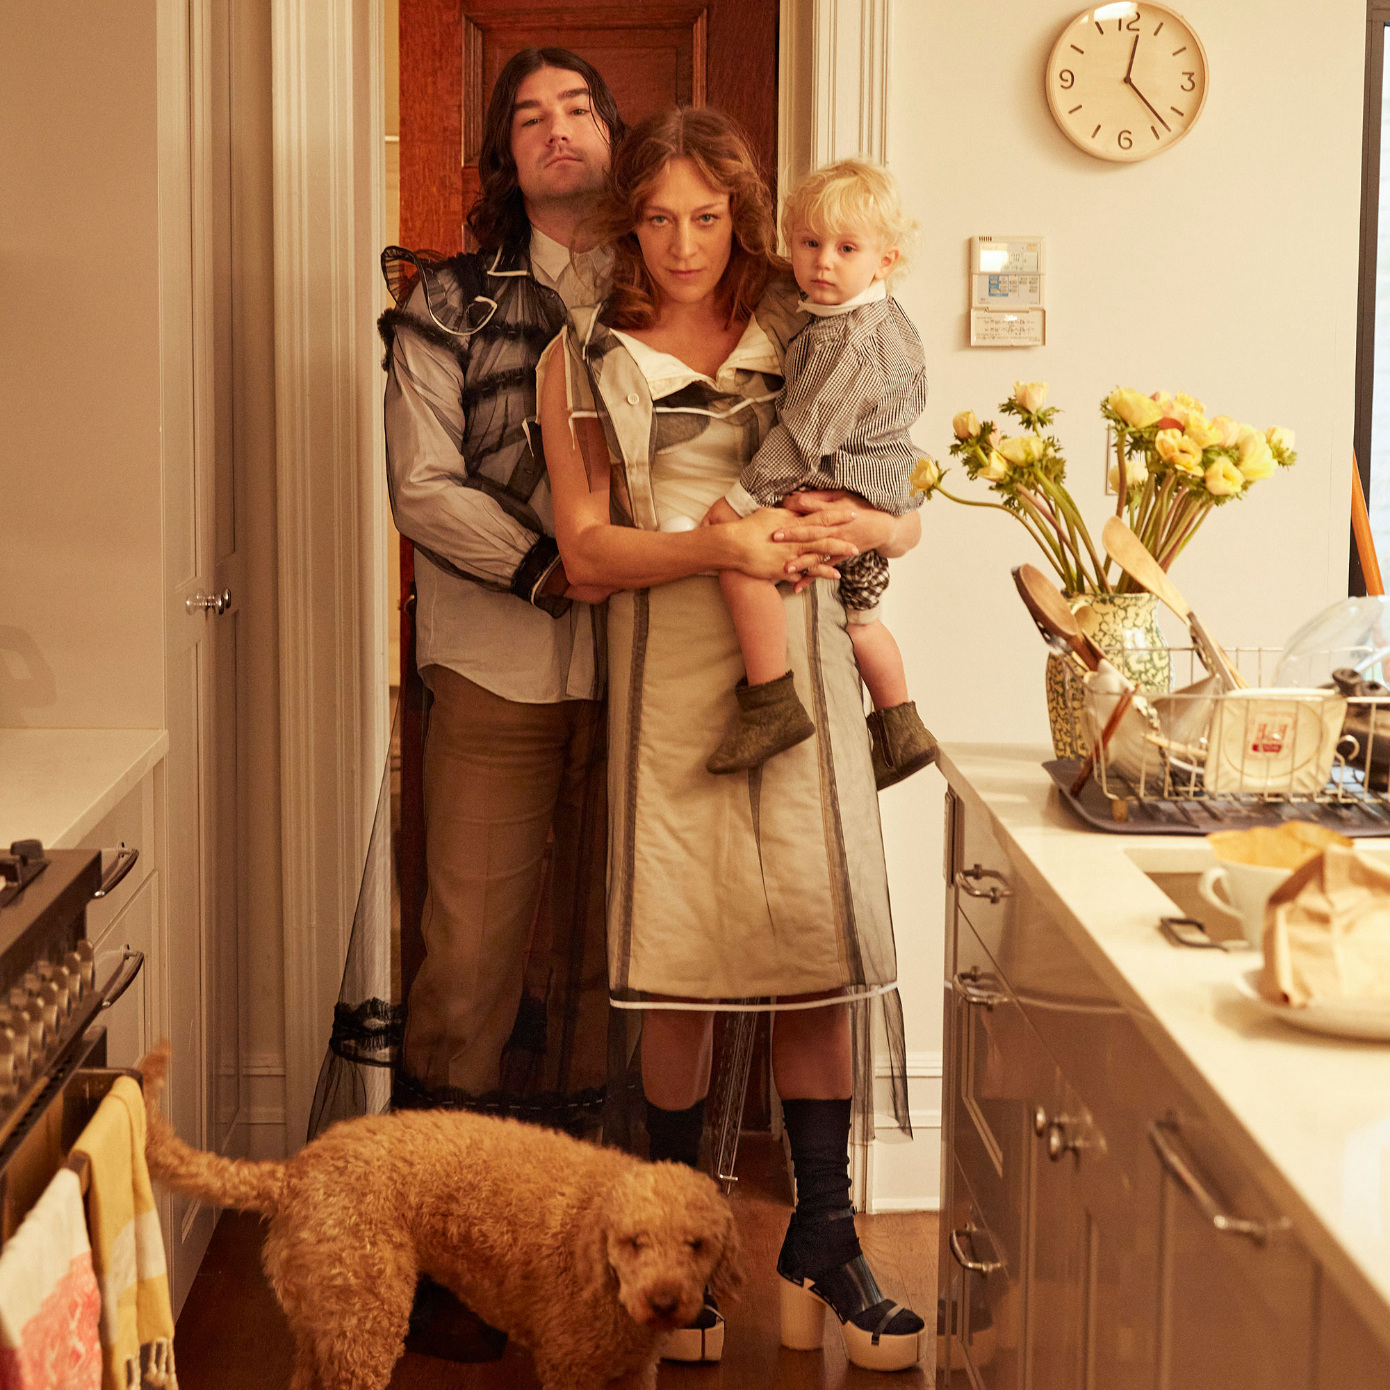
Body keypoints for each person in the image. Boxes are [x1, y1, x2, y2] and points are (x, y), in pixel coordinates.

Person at [539, 107, 925, 1371]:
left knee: (815, 952)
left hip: (801, 677)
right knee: (682, 969)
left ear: (740, 214)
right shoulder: (580, 358)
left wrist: (870, 534)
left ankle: (826, 1233)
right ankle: (673, 1257)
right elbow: (589, 556)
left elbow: (898, 511)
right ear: (626, 223)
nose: (685, 241)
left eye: (708, 214)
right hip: (669, 682)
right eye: (657, 217)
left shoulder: (811, 321)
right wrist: (720, 543)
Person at [379, 49, 623, 1124]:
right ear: (505, 157)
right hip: (492, 663)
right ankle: (437, 1220)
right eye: (529, 117)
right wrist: (546, 565)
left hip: (649, 666)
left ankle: (582, 1210)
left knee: (608, 940)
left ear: (613, 135)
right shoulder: (447, 304)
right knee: (470, 946)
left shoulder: (679, 291)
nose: (556, 127)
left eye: (577, 108)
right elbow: (421, 487)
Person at [703, 159, 938, 790]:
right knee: (863, 619)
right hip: (875, 488)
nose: (823, 262)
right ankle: (901, 728)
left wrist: (738, 499)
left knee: (741, 559)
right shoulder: (876, 319)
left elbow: (804, 436)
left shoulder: (849, 342)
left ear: (884, 261)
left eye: (846, 248)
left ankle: (771, 701)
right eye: (809, 244)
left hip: (842, 485)